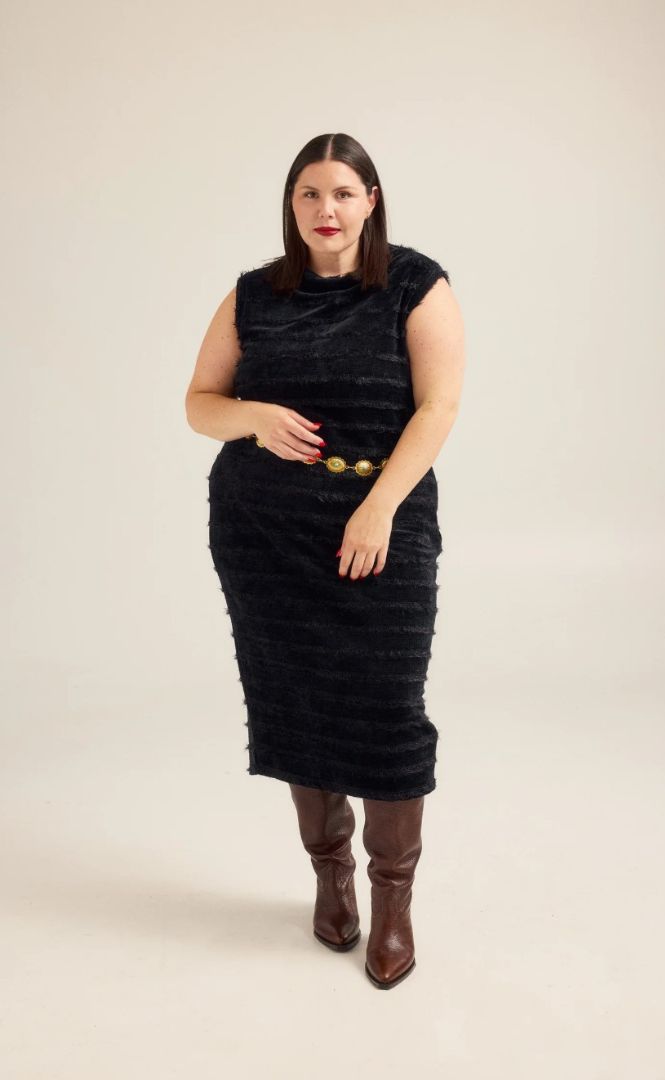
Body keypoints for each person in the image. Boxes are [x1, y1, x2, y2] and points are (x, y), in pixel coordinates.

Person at [185, 133, 465, 989]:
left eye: (343, 192)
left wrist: (378, 506)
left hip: (381, 524)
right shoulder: (252, 296)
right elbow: (199, 404)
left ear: (371, 200)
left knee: (384, 712)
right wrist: (253, 417)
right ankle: (329, 876)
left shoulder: (414, 284)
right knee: (297, 705)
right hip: (264, 536)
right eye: (310, 194)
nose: (326, 209)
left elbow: (440, 404)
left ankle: (393, 904)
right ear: (292, 205)